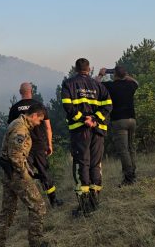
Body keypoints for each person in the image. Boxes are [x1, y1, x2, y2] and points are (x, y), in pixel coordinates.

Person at [0, 102, 50, 247]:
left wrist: (30, 170)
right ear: (34, 115)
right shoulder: (21, 129)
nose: (39, 123)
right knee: (38, 206)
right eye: (39, 120)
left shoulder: (18, 123)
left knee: (8, 211)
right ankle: (36, 242)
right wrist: (26, 175)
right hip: (16, 174)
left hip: (9, 173)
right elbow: (15, 156)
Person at [61, 58, 112, 216]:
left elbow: (67, 106)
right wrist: (95, 119)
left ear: (76, 69)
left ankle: (85, 206)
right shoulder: (99, 85)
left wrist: (84, 119)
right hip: (98, 131)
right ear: (89, 69)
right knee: (95, 164)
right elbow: (108, 105)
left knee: (81, 164)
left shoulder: (68, 84)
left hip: (80, 131)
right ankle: (95, 202)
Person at [7, 82, 62, 207]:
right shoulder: (39, 106)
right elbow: (48, 127)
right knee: (44, 172)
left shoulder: (15, 108)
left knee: (25, 174)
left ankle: (31, 202)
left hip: (23, 147)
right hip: (39, 145)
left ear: (20, 92)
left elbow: (11, 129)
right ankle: (53, 200)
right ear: (31, 91)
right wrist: (49, 145)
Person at [99, 66, 139, 186]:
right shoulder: (130, 85)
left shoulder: (110, 86)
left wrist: (101, 74)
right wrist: (125, 75)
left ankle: (129, 178)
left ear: (114, 75)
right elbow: (136, 82)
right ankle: (133, 173)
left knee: (123, 150)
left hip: (119, 120)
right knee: (131, 148)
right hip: (132, 119)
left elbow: (95, 84)